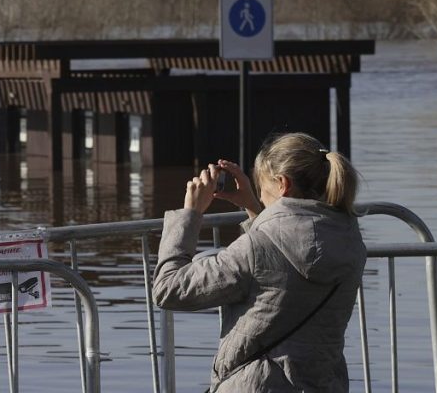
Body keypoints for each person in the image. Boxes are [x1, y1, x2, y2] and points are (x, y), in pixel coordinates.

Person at [152, 132, 366, 392]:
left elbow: (169, 289)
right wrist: (255, 209)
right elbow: (288, 255)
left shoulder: (254, 249)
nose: (262, 196)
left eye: (262, 188)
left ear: (282, 184)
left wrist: (191, 214)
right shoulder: (350, 241)